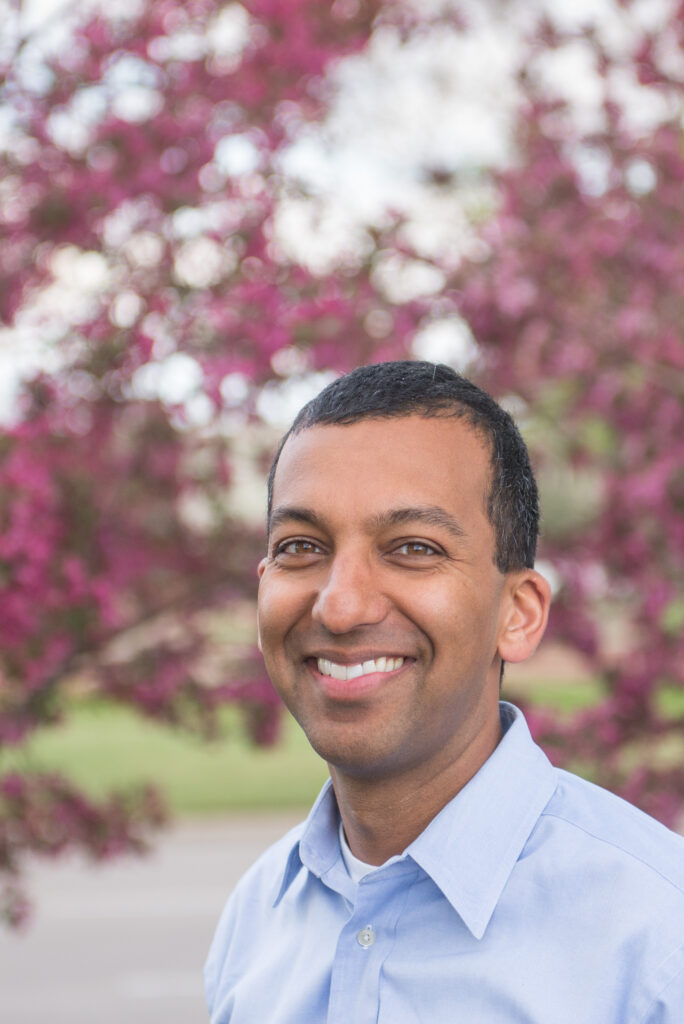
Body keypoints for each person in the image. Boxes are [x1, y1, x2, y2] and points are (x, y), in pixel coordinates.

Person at [205, 361, 684, 1023]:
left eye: (413, 548)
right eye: (301, 546)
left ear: (517, 612)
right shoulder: (258, 913)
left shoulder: (658, 941)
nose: (340, 607)